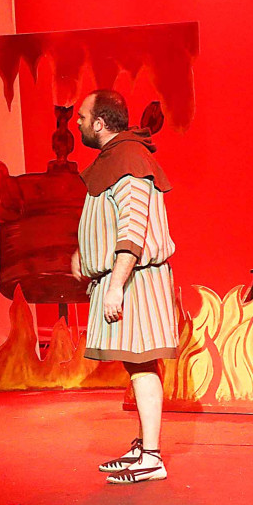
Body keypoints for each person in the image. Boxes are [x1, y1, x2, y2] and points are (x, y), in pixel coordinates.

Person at [71, 89, 178, 484]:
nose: (78, 123)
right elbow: (111, 219)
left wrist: (116, 285)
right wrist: (84, 253)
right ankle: (143, 445)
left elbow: (134, 228)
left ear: (100, 124)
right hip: (125, 277)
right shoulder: (117, 158)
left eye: (82, 117)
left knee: (142, 362)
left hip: (136, 280)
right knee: (137, 364)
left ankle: (151, 457)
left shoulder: (130, 160)